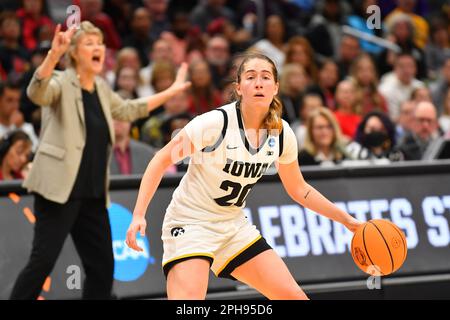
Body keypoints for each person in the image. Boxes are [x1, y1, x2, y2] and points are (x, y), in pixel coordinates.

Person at [125, 53, 362, 300]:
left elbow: (299, 189)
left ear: (276, 87)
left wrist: (346, 220)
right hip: (190, 223)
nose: (258, 83)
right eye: (250, 77)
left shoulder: (281, 134)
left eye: (265, 77)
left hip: (232, 225)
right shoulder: (214, 123)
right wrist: (139, 214)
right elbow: (160, 160)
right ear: (238, 87)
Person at [9, 21, 190, 300]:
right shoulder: (61, 82)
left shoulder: (102, 88)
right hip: (60, 192)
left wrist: (172, 91)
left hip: (93, 195)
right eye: (90, 43)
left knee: (102, 268)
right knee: (42, 262)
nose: (98, 48)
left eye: (100, 43)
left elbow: (130, 109)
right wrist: (52, 56)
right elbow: (36, 93)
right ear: (74, 52)